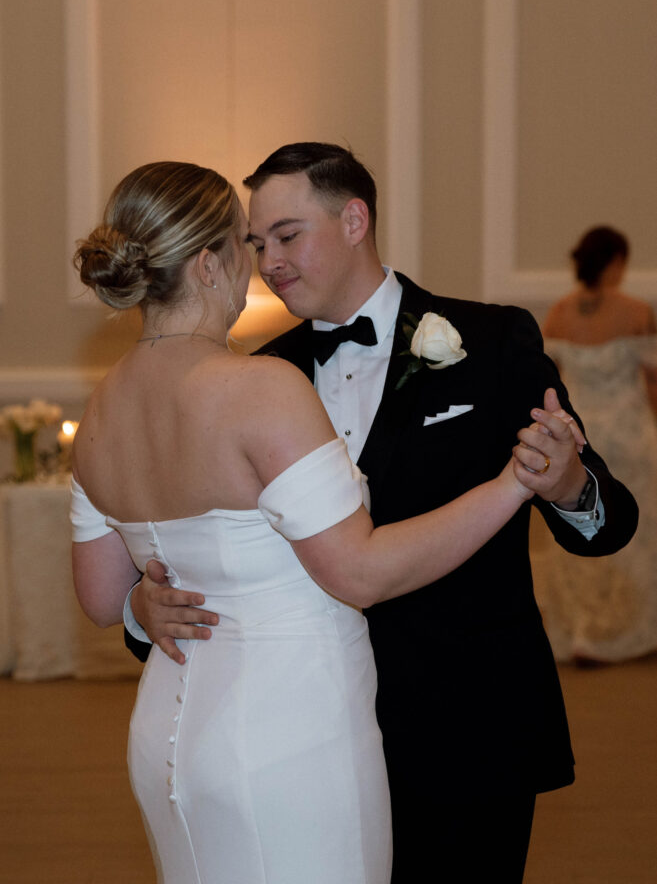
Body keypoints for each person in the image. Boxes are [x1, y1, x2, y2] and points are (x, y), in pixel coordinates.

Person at [123, 146, 638, 883]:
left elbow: (609, 522)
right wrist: (143, 608)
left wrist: (565, 486)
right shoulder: (248, 379)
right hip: (298, 742)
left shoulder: (491, 342)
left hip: (466, 729)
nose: (270, 260)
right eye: (256, 242)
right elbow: (195, 553)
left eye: (288, 234)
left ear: (355, 218)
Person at [539, 226, 657, 663]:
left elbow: (547, 381)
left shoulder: (559, 314)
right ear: (615, 263)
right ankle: (625, 628)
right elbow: (653, 382)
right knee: (636, 533)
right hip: (630, 436)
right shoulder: (637, 312)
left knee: (580, 524)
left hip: (581, 439)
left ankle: (580, 628)